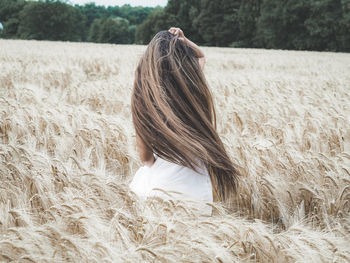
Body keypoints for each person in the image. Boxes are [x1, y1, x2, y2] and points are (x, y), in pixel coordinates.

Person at [129, 27, 239, 214]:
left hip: (158, 191)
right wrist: (184, 40)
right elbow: (201, 56)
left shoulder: (144, 105)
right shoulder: (192, 92)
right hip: (197, 194)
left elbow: (146, 159)